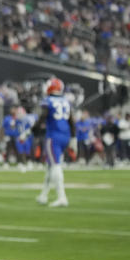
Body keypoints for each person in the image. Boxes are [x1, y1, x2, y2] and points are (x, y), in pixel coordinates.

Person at [33, 77, 76, 207]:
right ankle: (43, 195)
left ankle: (62, 197)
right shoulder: (66, 101)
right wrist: (73, 138)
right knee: (51, 166)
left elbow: (43, 116)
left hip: (54, 136)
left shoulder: (48, 101)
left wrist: (34, 129)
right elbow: (72, 121)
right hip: (66, 135)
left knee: (55, 165)